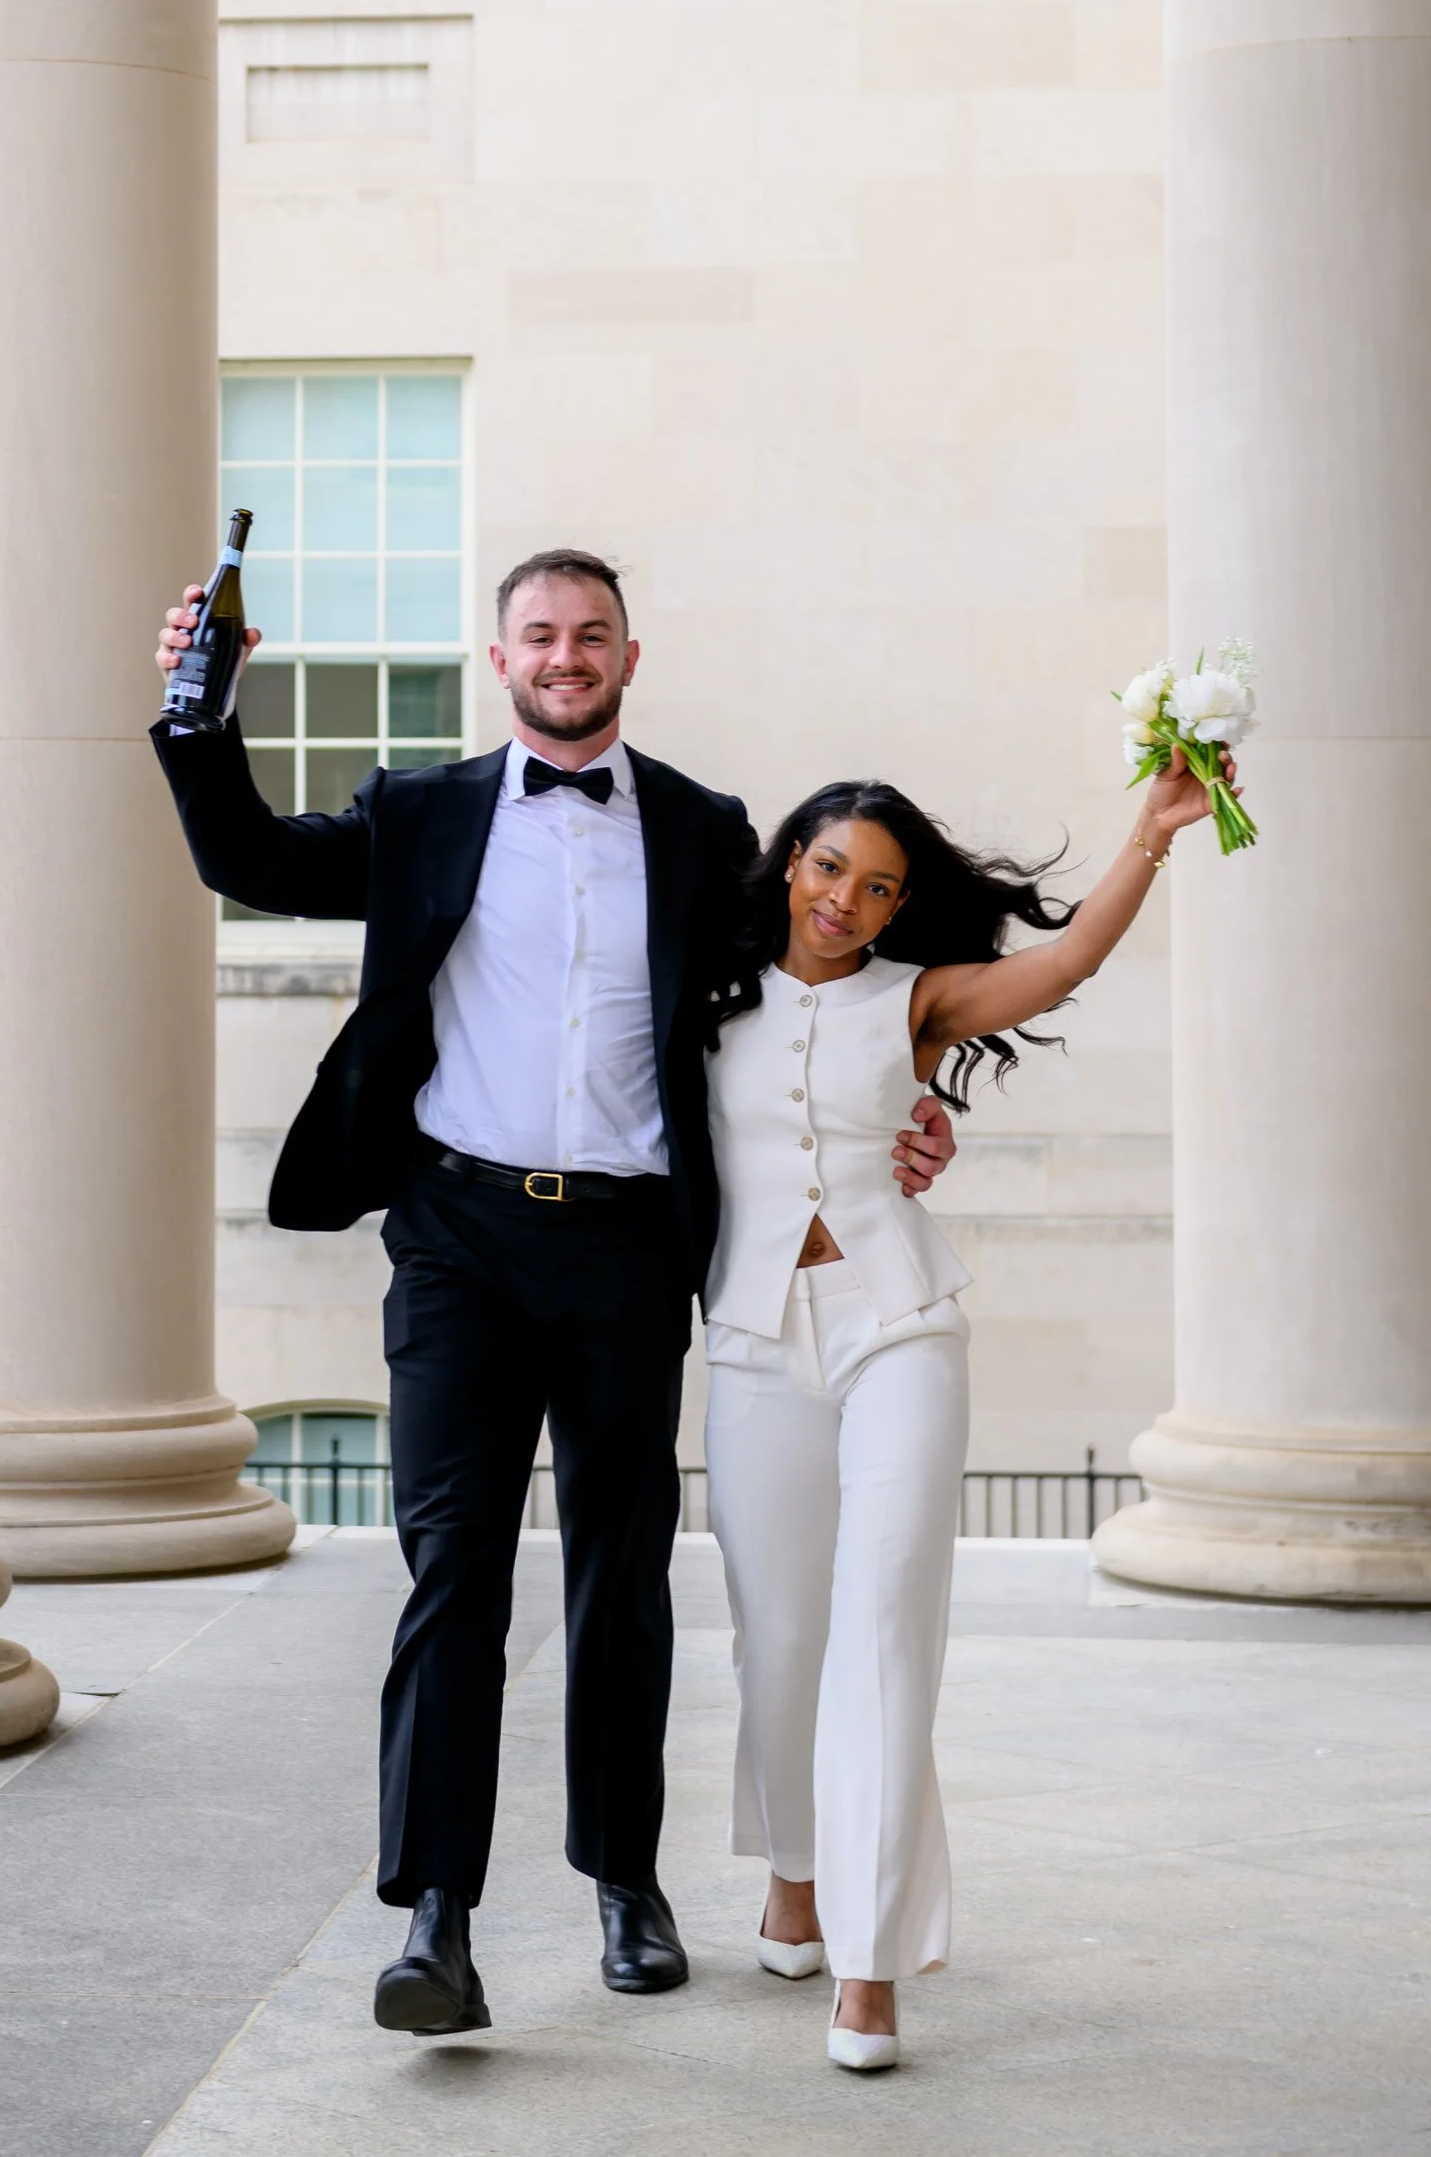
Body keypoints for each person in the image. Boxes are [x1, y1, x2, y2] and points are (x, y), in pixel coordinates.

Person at [152, 548, 956, 2036]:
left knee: (620, 1566)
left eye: (592, 636)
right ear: (501, 656)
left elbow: (833, 972)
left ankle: (625, 1882)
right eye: (541, 635)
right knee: (454, 1569)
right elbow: (251, 863)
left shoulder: (714, 834)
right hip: (457, 1231)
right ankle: (436, 1921)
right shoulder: (420, 812)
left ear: (629, 660)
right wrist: (200, 710)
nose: (566, 655)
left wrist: (919, 1097)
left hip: (631, 1246)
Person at [702, 744, 1234, 2073]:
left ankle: (871, 1969)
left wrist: (1154, 831)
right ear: (789, 865)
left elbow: (1064, 969)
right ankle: (795, 1879)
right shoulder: (700, 997)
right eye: (830, 869)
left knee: (883, 1627)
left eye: (878, 888)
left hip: (900, 1329)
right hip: (754, 1342)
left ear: (898, 908)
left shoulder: (920, 1000)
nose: (845, 901)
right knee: (776, 1641)